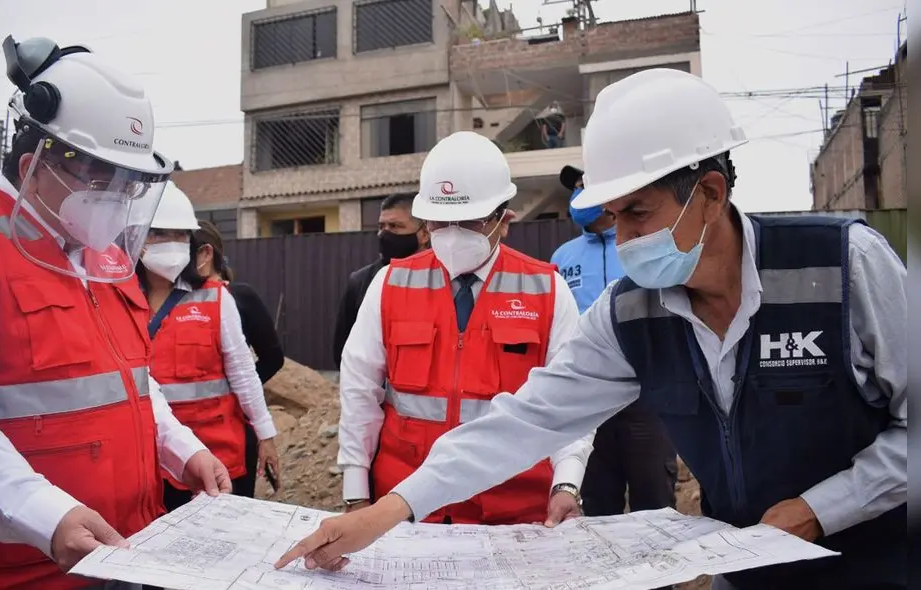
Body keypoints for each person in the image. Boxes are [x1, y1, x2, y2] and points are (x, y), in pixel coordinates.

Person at [276, 69, 907, 590]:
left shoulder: (843, 266)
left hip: (874, 563)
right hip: (741, 565)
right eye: (612, 215)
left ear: (710, 193)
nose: (624, 238)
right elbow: (528, 419)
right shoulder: (631, 310)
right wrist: (387, 509)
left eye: (638, 212)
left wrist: (819, 511)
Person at [0, 35, 229, 589]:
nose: (116, 200)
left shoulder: (105, 259)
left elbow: (132, 386)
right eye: (102, 181)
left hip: (127, 552)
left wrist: (183, 450)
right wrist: (46, 515)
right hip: (17, 569)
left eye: (127, 185)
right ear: (34, 164)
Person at [336, 131, 594, 526]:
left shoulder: (547, 289)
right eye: (440, 222)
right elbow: (360, 391)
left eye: (470, 222)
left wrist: (567, 484)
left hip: (513, 512)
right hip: (406, 505)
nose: (453, 234)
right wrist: (356, 493)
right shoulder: (390, 284)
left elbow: (570, 399)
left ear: (503, 221)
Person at [136, 182, 280, 510]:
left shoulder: (216, 299)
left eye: (180, 235)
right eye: (159, 233)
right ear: (137, 238)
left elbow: (244, 372)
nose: (171, 244)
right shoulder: (120, 299)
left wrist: (266, 435)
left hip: (219, 455)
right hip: (152, 460)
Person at [552, 165, 679, 518]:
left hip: (647, 395)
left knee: (654, 503)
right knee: (594, 504)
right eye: (575, 189)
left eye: (585, 186)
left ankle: (659, 575)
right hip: (588, 400)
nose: (578, 196)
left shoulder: (644, 246)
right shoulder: (563, 258)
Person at [195, 218, 286, 494]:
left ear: (206, 253)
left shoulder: (239, 297)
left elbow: (273, 357)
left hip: (236, 424)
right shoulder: (171, 301)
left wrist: (238, 388)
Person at [332, 193, 430, 367]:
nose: (384, 233)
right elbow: (344, 351)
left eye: (394, 226)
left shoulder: (445, 278)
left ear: (424, 234)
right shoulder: (361, 281)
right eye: (381, 226)